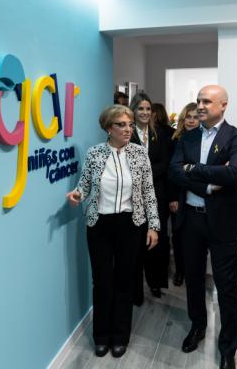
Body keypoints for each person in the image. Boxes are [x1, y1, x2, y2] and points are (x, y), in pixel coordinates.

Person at [66, 104, 160, 359]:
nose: (128, 129)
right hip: (100, 225)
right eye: (121, 125)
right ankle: (101, 336)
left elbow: (148, 191)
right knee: (102, 281)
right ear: (109, 128)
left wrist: (154, 225)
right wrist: (77, 194)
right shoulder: (95, 153)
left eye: (130, 125)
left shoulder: (139, 154)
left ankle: (120, 336)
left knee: (124, 281)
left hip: (130, 224)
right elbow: (85, 184)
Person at [169, 85, 237, 369]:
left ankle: (228, 347)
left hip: (223, 221)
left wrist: (193, 169)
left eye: (206, 101)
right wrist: (206, 185)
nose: (200, 106)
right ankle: (198, 326)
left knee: (226, 286)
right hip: (191, 219)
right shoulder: (187, 136)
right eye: (198, 101)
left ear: (223, 105)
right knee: (193, 279)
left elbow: (232, 172)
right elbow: (174, 172)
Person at [129, 93, 172, 302]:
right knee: (136, 244)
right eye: (141, 109)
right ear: (133, 111)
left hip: (157, 196)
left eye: (148, 109)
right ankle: (136, 290)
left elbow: (166, 163)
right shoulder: (127, 133)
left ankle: (155, 283)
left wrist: (145, 172)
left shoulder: (159, 134)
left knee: (157, 242)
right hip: (132, 198)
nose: (145, 112)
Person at [169, 102, 200, 286]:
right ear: (183, 118)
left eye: (195, 117)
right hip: (177, 195)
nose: (191, 120)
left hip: (196, 193)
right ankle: (180, 270)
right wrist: (173, 197)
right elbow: (171, 171)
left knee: (195, 237)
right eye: (188, 117)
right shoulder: (174, 139)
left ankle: (193, 271)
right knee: (178, 235)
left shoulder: (203, 140)